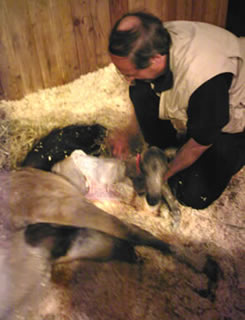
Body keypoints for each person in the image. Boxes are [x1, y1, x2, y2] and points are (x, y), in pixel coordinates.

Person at [108, 11, 245, 209]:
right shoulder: (152, 40)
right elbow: (140, 90)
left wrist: (162, 176)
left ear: (155, 59)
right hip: (205, 101)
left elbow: (200, 143)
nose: (128, 79)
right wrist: (128, 131)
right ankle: (167, 147)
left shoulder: (204, 79)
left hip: (235, 113)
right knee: (139, 89)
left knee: (193, 194)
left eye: (130, 73)